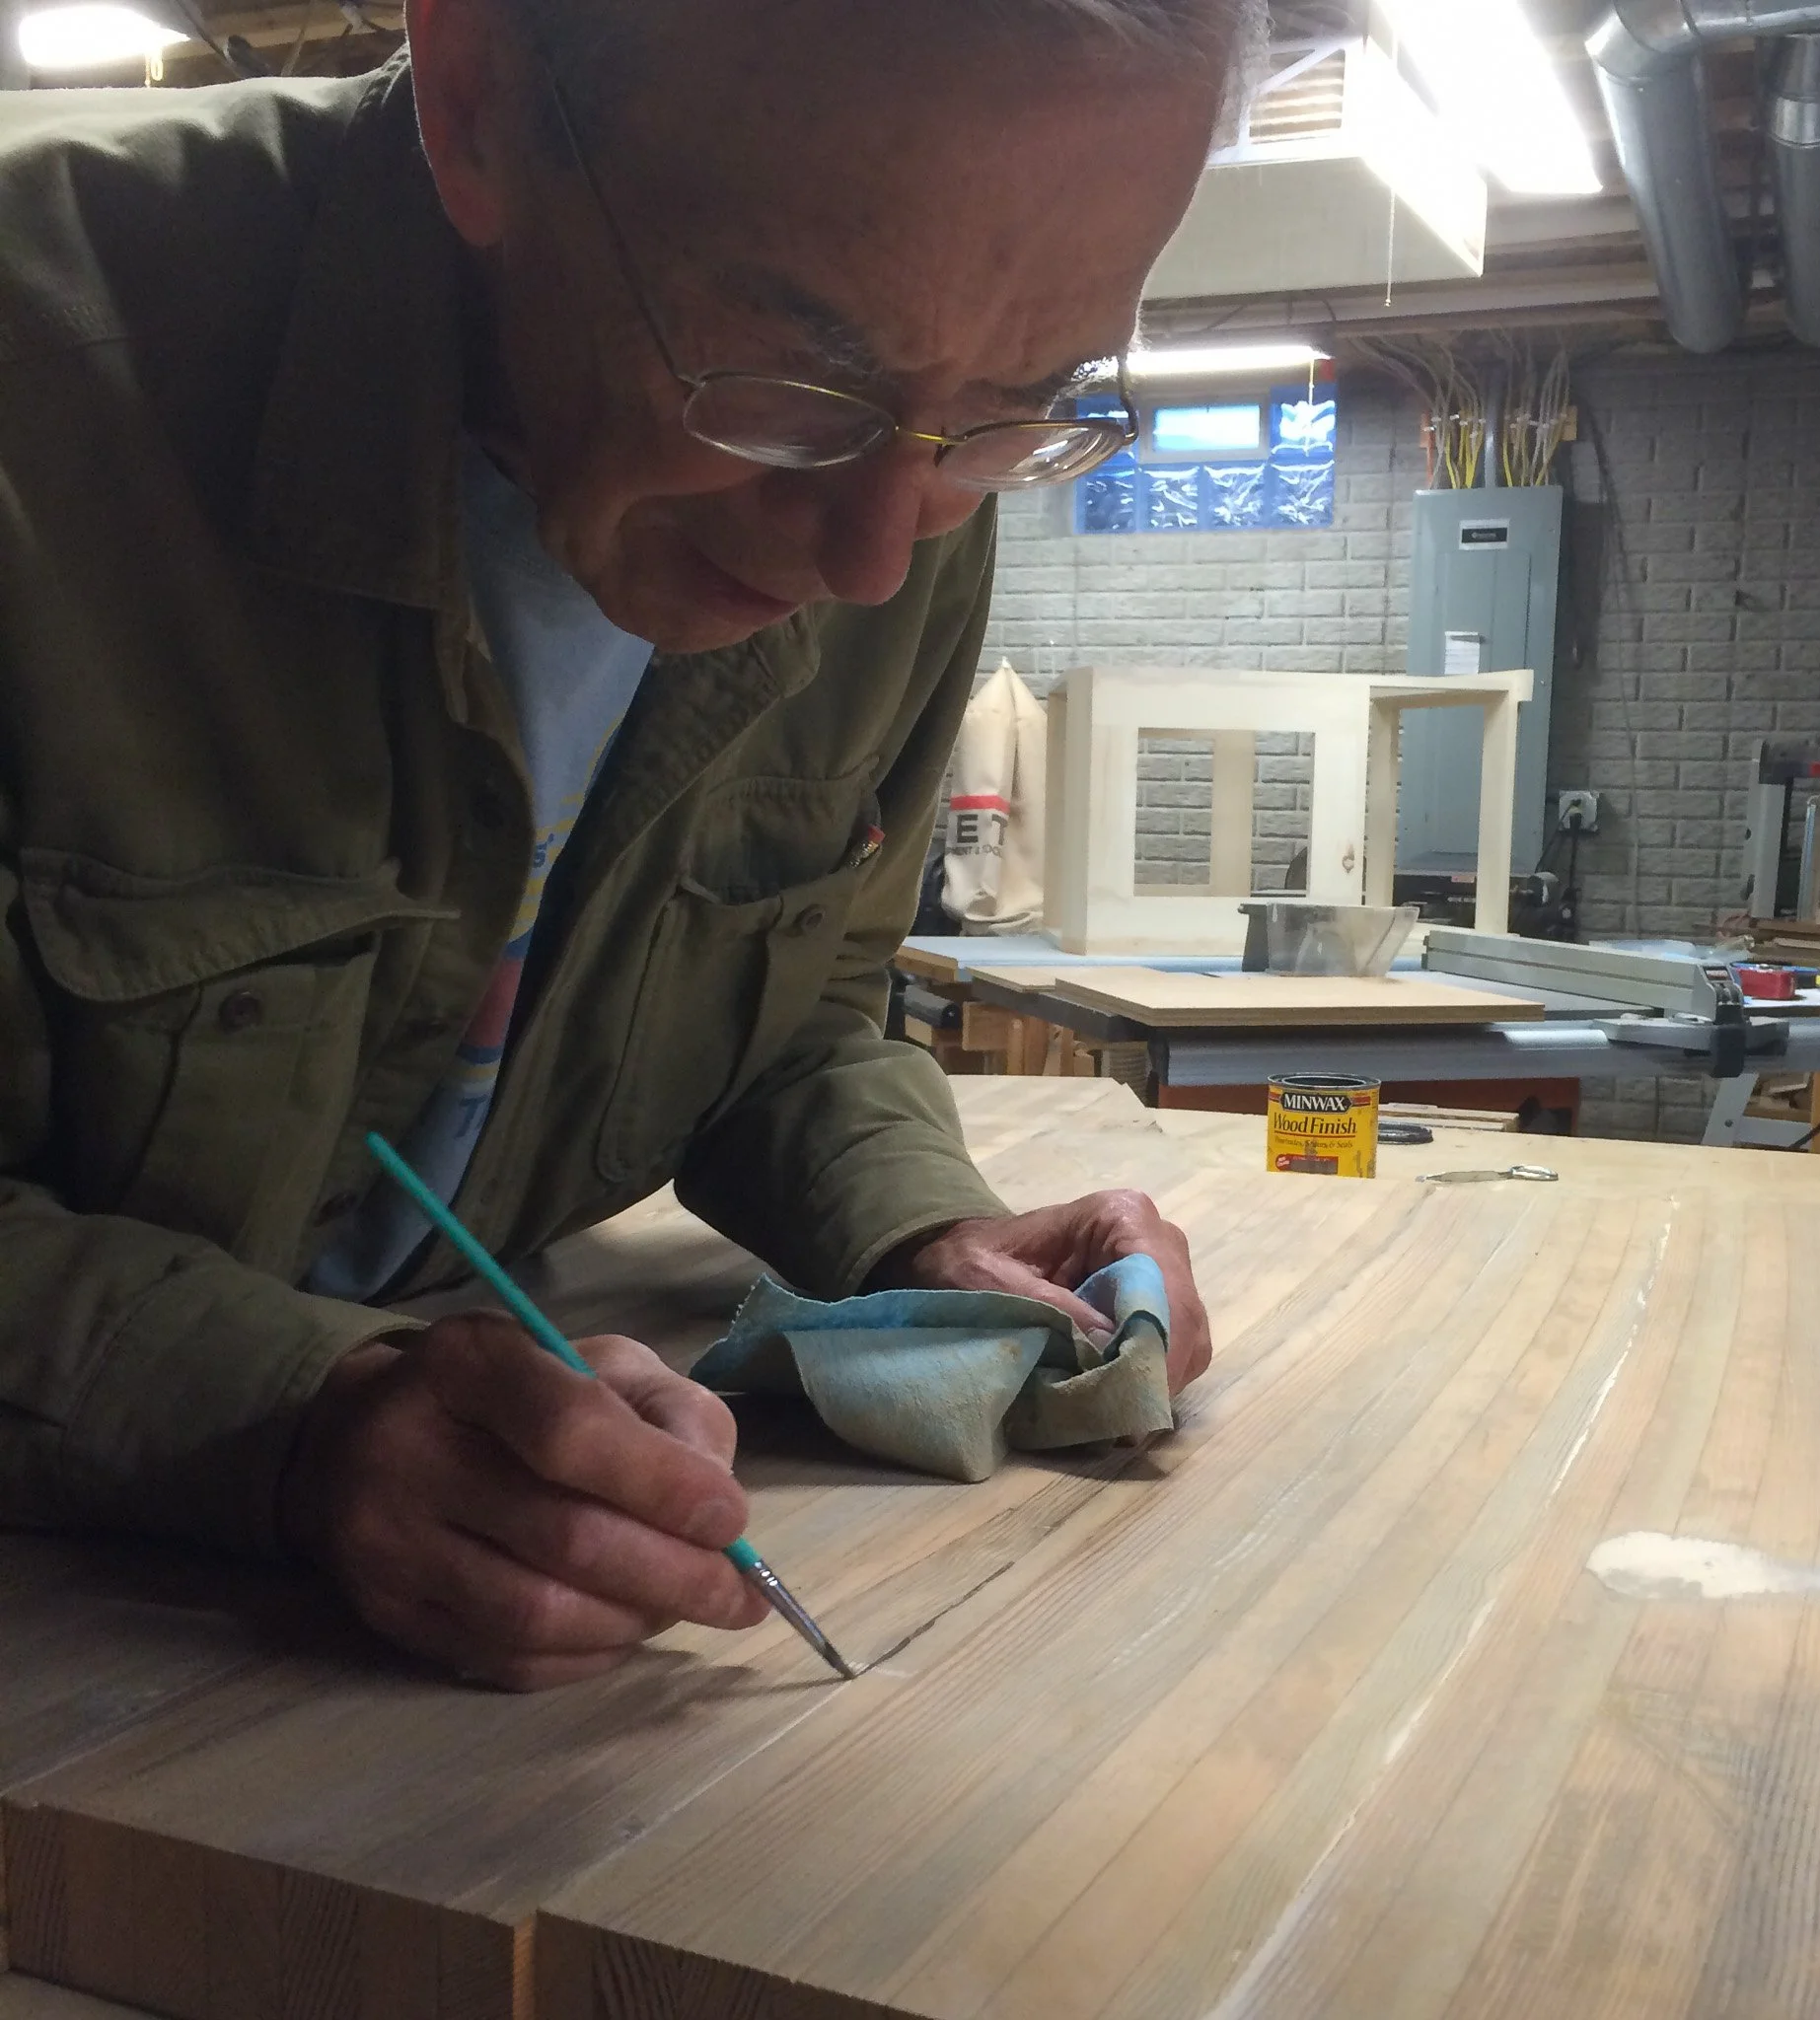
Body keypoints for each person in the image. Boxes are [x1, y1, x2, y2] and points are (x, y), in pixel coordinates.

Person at [0, 0, 1259, 1688]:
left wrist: (920, 1235)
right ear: (477, 98)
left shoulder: (906, 471)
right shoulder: (44, 388)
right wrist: (283, 1413)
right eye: (792, 385)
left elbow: (789, 1016)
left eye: (1016, 412)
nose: (874, 559)